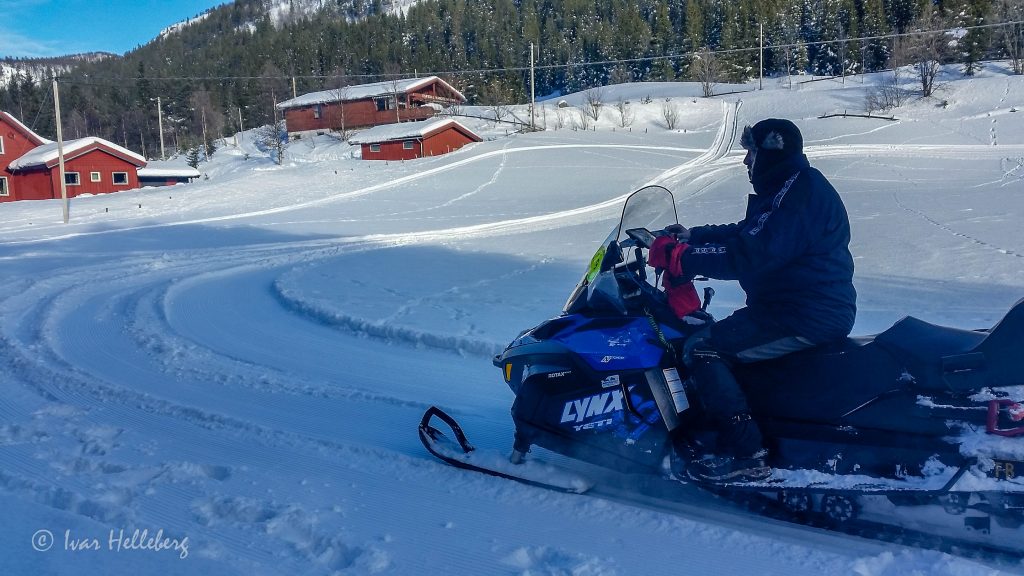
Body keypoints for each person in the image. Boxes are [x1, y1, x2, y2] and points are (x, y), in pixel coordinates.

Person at [652, 118, 856, 483]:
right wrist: (692, 236)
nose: (746, 161)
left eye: (751, 152)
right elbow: (748, 232)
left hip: (804, 314)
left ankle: (747, 453)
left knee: (704, 349)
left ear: (770, 153)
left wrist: (684, 259)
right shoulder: (792, 189)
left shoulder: (799, 196)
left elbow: (749, 255)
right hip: (795, 307)